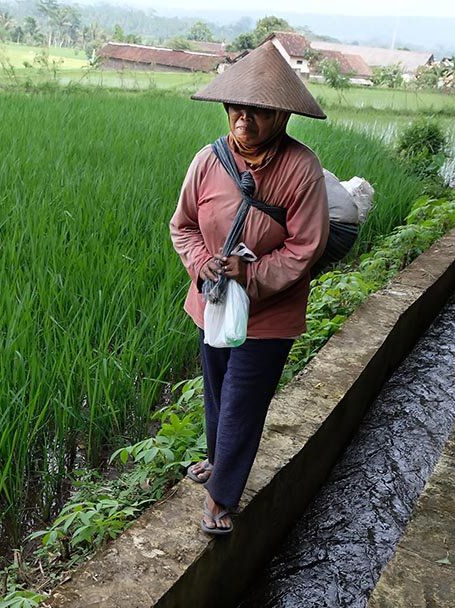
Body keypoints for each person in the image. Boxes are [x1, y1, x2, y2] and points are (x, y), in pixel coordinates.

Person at [170, 41, 330, 536]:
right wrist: (206, 265)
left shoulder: (300, 169)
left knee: (243, 400)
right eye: (237, 107)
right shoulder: (207, 161)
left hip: (269, 315)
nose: (245, 118)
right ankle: (218, 461)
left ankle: (222, 498)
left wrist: (251, 275)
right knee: (217, 391)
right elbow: (184, 226)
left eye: (259, 110)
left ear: (282, 116)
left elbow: (306, 246)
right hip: (213, 304)